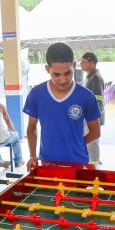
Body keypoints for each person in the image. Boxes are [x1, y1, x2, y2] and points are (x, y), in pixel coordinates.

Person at [23, 42, 101, 171]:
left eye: (67, 73)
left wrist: (77, 144)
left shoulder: (86, 96)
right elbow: (31, 128)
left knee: (76, 192)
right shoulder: (36, 94)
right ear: (47, 69)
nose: (63, 79)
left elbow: (95, 131)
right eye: (57, 74)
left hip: (78, 162)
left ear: (74, 66)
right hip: (47, 162)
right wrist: (32, 155)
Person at [80, 52, 105, 164]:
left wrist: (94, 118)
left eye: (84, 62)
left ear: (92, 63)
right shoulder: (90, 77)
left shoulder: (95, 78)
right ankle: (92, 161)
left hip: (93, 116)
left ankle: (94, 164)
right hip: (89, 116)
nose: (81, 64)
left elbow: (99, 100)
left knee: (92, 142)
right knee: (90, 141)